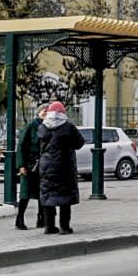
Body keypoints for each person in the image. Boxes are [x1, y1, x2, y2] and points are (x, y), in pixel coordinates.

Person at [37, 101, 84, 235]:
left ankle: (49, 226)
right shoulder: (68, 126)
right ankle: (64, 227)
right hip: (64, 166)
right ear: (63, 112)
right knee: (65, 197)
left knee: (48, 196)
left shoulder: (42, 127)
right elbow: (79, 143)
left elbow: (38, 144)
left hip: (46, 166)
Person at [15, 104, 49, 230]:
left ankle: (41, 218)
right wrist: (21, 165)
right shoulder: (31, 126)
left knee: (42, 192)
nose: (46, 113)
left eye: (48, 111)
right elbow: (21, 146)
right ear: (39, 112)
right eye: (44, 111)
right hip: (30, 164)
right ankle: (19, 219)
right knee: (25, 193)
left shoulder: (49, 126)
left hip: (43, 164)